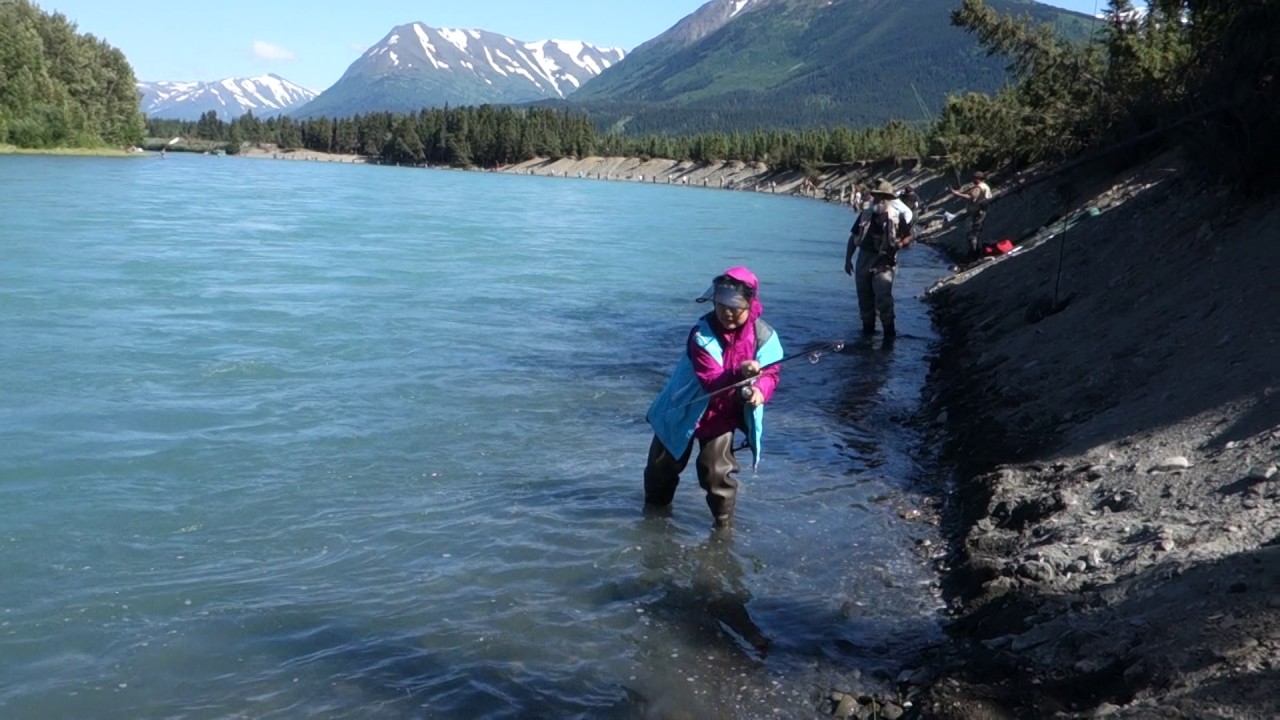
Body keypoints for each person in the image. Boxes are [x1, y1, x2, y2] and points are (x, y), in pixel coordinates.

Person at [644, 267, 784, 528]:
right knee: (660, 470)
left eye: (735, 307)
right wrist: (741, 371)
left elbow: (771, 373)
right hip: (682, 406)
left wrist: (759, 391)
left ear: (750, 304)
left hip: (722, 413)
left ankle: (723, 529)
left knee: (716, 472)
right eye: (721, 305)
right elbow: (711, 381)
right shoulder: (701, 334)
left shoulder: (765, 337)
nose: (727, 312)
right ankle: (653, 523)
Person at [845, 179, 913, 338]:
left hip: (885, 261)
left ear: (888, 199)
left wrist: (900, 244)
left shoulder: (896, 216)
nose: (878, 200)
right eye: (876, 196)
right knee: (864, 299)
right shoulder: (865, 214)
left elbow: (908, 236)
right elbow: (853, 237)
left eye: (882, 197)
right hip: (864, 259)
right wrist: (848, 260)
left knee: (883, 297)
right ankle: (867, 334)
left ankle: (889, 335)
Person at [949, 171, 993, 260]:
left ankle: (974, 254)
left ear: (978, 178)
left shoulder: (979, 187)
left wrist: (958, 194)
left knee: (972, 234)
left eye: (974, 178)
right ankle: (976, 252)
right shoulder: (985, 186)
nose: (972, 180)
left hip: (976, 212)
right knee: (976, 232)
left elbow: (972, 198)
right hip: (982, 211)